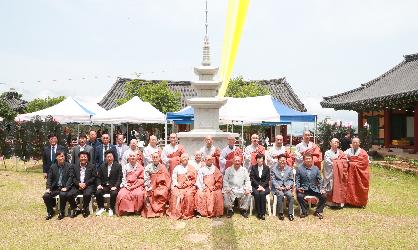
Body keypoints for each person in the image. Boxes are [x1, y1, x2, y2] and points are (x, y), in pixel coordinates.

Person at [42, 150, 73, 220]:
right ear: (56, 158)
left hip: (65, 187)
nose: (61, 158)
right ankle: (50, 212)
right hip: (55, 188)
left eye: (62, 156)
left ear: (65, 157)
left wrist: (67, 187)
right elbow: (49, 178)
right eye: (59, 156)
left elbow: (71, 178)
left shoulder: (69, 166)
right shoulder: (53, 167)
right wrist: (48, 188)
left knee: (62, 194)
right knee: (45, 196)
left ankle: (61, 212)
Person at [296, 154, 327, 219]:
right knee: (299, 196)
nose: (308, 160)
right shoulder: (299, 168)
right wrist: (298, 188)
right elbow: (297, 180)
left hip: (314, 189)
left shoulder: (316, 168)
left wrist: (321, 188)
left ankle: (318, 211)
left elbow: (320, 180)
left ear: (312, 159)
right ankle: (304, 212)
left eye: (309, 158)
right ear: (304, 160)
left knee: (324, 196)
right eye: (306, 159)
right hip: (304, 189)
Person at [167, 153, 197, 220]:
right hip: (178, 186)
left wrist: (187, 184)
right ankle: (176, 213)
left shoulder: (191, 168)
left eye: (186, 157)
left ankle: (187, 213)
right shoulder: (177, 168)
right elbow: (174, 178)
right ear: (181, 159)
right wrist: (177, 184)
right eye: (183, 157)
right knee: (175, 194)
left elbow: (194, 179)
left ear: (188, 159)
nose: (184, 159)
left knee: (188, 194)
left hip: (189, 186)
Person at [67, 151, 96, 218]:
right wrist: (78, 184)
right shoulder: (74, 166)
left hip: (88, 185)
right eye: (82, 157)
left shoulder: (92, 166)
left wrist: (85, 184)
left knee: (87, 194)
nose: (83, 158)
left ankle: (84, 208)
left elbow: (94, 177)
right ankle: (75, 208)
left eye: (85, 157)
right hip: (77, 185)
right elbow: (72, 177)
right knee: (69, 194)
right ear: (79, 158)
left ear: (88, 158)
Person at [116, 151, 145, 216]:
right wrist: (126, 185)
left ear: (137, 157)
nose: (132, 157)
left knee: (139, 194)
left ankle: (137, 210)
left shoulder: (140, 167)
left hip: (137, 185)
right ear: (128, 158)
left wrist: (134, 186)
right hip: (127, 184)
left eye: (133, 156)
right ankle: (126, 210)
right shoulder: (125, 167)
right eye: (130, 156)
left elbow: (142, 179)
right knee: (122, 194)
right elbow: (123, 178)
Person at [142, 153, 171, 218]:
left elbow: (167, 178)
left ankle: (160, 211)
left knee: (163, 192)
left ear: (159, 158)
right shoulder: (148, 167)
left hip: (161, 185)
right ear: (152, 158)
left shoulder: (163, 167)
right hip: (151, 185)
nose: (155, 159)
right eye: (154, 157)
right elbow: (146, 178)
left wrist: (166, 187)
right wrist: (148, 186)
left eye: (156, 157)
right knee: (147, 194)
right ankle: (150, 212)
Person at [344, 138, 370, 207]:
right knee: (350, 186)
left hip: (360, 173)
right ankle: (349, 201)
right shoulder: (348, 151)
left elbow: (365, 163)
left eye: (356, 142)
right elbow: (343, 158)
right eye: (353, 142)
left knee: (359, 186)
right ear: (351, 143)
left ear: (359, 143)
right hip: (350, 173)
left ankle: (359, 202)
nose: (355, 144)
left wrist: (352, 163)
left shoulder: (363, 152)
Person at [96, 150, 122, 216]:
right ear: (105, 158)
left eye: (110, 156)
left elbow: (120, 178)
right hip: (104, 186)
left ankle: (111, 208)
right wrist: (99, 185)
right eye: (107, 157)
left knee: (114, 193)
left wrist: (116, 186)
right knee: (98, 192)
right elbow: (98, 177)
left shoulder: (118, 166)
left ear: (113, 157)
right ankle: (101, 207)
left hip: (114, 186)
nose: (109, 158)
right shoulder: (102, 166)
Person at [323, 138, 348, 208]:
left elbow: (344, 161)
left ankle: (338, 202)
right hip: (330, 172)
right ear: (330, 143)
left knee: (338, 186)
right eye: (334, 142)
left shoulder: (341, 152)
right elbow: (327, 162)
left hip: (338, 173)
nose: (336, 143)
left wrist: (336, 162)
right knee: (330, 186)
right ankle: (329, 202)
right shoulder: (327, 152)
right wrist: (337, 162)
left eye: (337, 142)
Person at [271, 154, 294, 221]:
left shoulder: (289, 169)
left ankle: (290, 213)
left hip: (286, 187)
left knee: (290, 195)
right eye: (281, 160)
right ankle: (280, 213)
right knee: (280, 194)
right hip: (277, 188)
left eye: (284, 160)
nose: (282, 162)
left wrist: (289, 185)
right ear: (278, 161)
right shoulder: (274, 169)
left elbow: (291, 179)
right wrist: (278, 186)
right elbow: (273, 179)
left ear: (286, 160)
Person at [249, 153, 270, 220]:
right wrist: (258, 186)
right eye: (258, 158)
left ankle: (263, 213)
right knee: (257, 194)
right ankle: (258, 212)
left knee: (262, 194)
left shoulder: (267, 168)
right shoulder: (253, 167)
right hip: (255, 186)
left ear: (263, 160)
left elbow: (267, 179)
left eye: (261, 158)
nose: (259, 160)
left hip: (265, 186)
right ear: (256, 159)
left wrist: (262, 186)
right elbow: (252, 178)